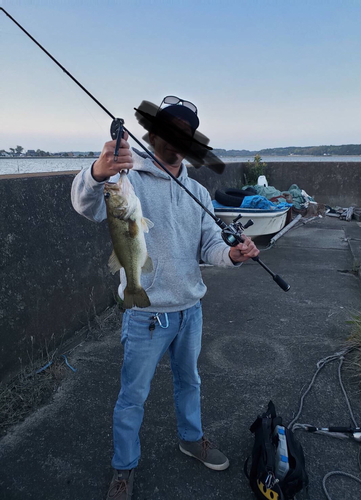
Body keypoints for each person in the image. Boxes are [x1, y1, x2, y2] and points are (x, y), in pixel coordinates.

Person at [71, 96, 259, 500]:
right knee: (132, 396)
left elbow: (210, 246)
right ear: (153, 134)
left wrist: (232, 254)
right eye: (170, 129)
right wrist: (96, 172)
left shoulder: (197, 192)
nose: (178, 138)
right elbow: (87, 206)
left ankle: (192, 438)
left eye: (187, 133)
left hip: (190, 311)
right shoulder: (128, 181)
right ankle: (124, 469)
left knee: (189, 381)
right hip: (146, 316)